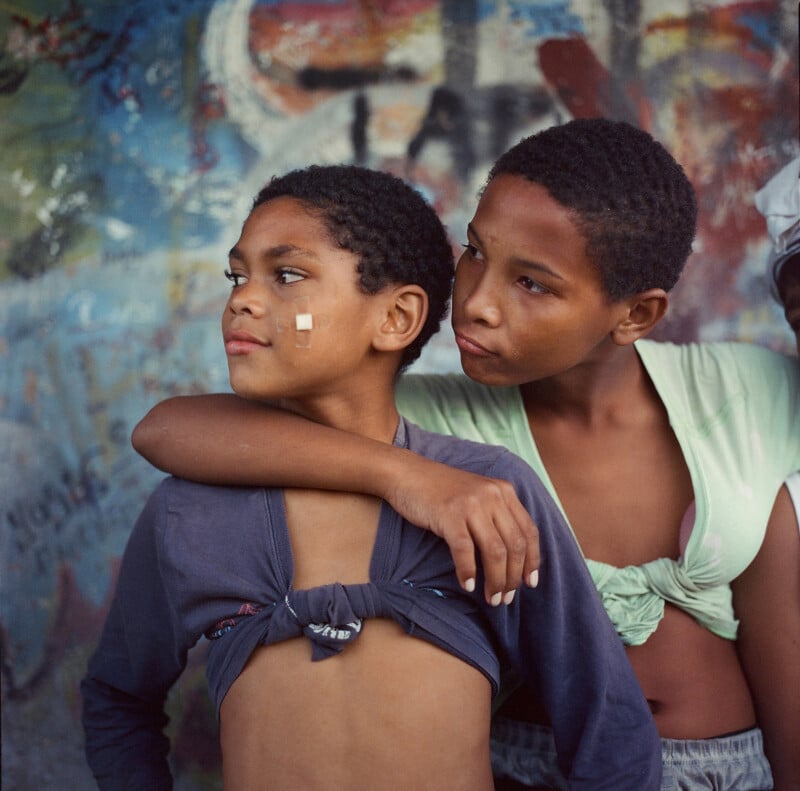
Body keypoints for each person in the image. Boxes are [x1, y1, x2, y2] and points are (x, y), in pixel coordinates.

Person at [132, 120, 800, 790]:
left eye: (531, 282)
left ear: (636, 315)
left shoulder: (746, 390)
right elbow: (169, 430)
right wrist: (406, 475)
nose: (475, 302)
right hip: (514, 765)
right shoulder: (428, 421)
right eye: (476, 252)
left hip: (727, 767)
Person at [81, 164, 661, 791]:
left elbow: (605, 723)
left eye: (288, 274)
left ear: (395, 319)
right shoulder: (189, 511)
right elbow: (117, 697)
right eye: (237, 275)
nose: (242, 299)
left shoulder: (484, 495)